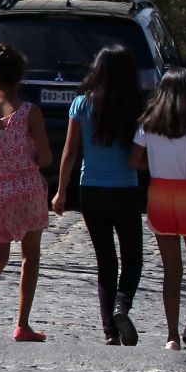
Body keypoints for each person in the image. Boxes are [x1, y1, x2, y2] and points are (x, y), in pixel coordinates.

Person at [50, 46, 144, 346]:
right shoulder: (136, 107)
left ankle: (109, 331)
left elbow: (69, 151)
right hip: (126, 190)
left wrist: (61, 191)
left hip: (91, 189)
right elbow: (140, 154)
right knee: (133, 258)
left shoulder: (81, 104)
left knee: (106, 261)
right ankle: (122, 305)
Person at [0, 43, 53, 341]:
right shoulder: (30, 112)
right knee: (30, 256)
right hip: (27, 189)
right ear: (20, 77)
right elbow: (45, 157)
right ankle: (22, 324)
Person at [131, 67, 186, 354]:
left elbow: (133, 160)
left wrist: (154, 166)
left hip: (160, 194)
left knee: (170, 270)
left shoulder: (149, 122)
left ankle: (172, 335)